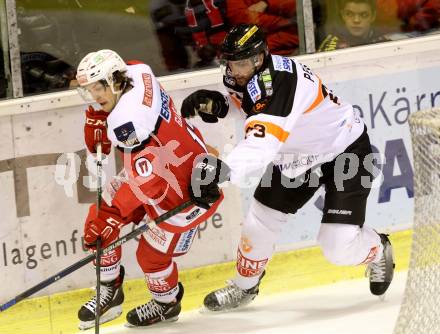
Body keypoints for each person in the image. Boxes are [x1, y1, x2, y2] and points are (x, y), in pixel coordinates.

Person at [181, 24, 395, 312]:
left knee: (336, 245)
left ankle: (377, 249)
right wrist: (221, 105)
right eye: (232, 63)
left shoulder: (280, 84)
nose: (236, 70)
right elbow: (249, 106)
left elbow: (261, 146)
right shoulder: (252, 75)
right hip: (298, 157)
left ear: (259, 58)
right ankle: (245, 287)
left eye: (242, 63)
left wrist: (221, 173)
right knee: (260, 219)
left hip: (345, 150)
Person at [75, 49, 223, 329]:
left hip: (183, 192)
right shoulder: (138, 71)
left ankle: (166, 304)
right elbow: (126, 66)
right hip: (177, 163)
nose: (95, 97)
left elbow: (148, 184)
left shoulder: (127, 123)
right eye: (90, 90)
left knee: (150, 255)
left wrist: (115, 216)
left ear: (114, 80)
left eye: (98, 89)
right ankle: (110, 291)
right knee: (99, 214)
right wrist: (98, 113)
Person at [226, 0, 298, 55]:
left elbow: (298, 5)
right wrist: (285, 22)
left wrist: (267, 3)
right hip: (252, 54)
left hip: (297, 49)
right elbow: (245, 20)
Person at [318, 0, 385, 52]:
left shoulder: (385, 43)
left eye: (364, 15)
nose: (356, 20)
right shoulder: (330, 46)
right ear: (343, 15)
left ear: (373, 16)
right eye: (349, 14)